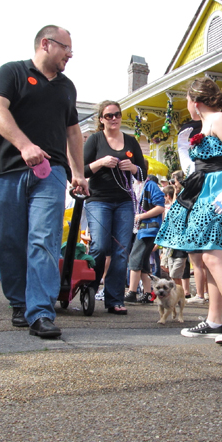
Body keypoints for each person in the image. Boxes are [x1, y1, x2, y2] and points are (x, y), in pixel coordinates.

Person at [0, 25, 88, 339]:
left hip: (52, 173)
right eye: (66, 48)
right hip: (9, 169)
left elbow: (73, 132)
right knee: (10, 240)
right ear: (46, 43)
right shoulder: (12, 72)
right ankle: (18, 301)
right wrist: (24, 145)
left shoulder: (67, 87)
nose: (70, 54)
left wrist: (79, 173)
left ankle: (41, 312)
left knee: (44, 239)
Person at [156, 77, 222, 343]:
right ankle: (213, 320)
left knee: (211, 257)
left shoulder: (220, 119)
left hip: (221, 191)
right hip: (205, 189)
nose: (186, 106)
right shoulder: (204, 125)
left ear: (195, 102)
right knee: (207, 257)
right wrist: (183, 151)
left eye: (187, 101)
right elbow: (196, 169)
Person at [84, 100, 147, 314]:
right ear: (101, 119)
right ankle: (89, 288)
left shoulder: (130, 141)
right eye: (109, 115)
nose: (114, 119)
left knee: (121, 250)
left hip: (123, 202)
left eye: (117, 115)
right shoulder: (94, 140)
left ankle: (114, 299)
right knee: (100, 247)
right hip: (98, 200)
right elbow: (82, 170)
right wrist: (100, 163)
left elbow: (143, 173)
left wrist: (133, 167)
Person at [125, 175, 165, 303]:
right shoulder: (134, 185)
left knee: (134, 258)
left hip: (148, 229)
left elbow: (160, 207)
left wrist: (141, 216)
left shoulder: (150, 185)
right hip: (141, 229)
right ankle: (148, 293)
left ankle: (132, 291)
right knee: (143, 262)